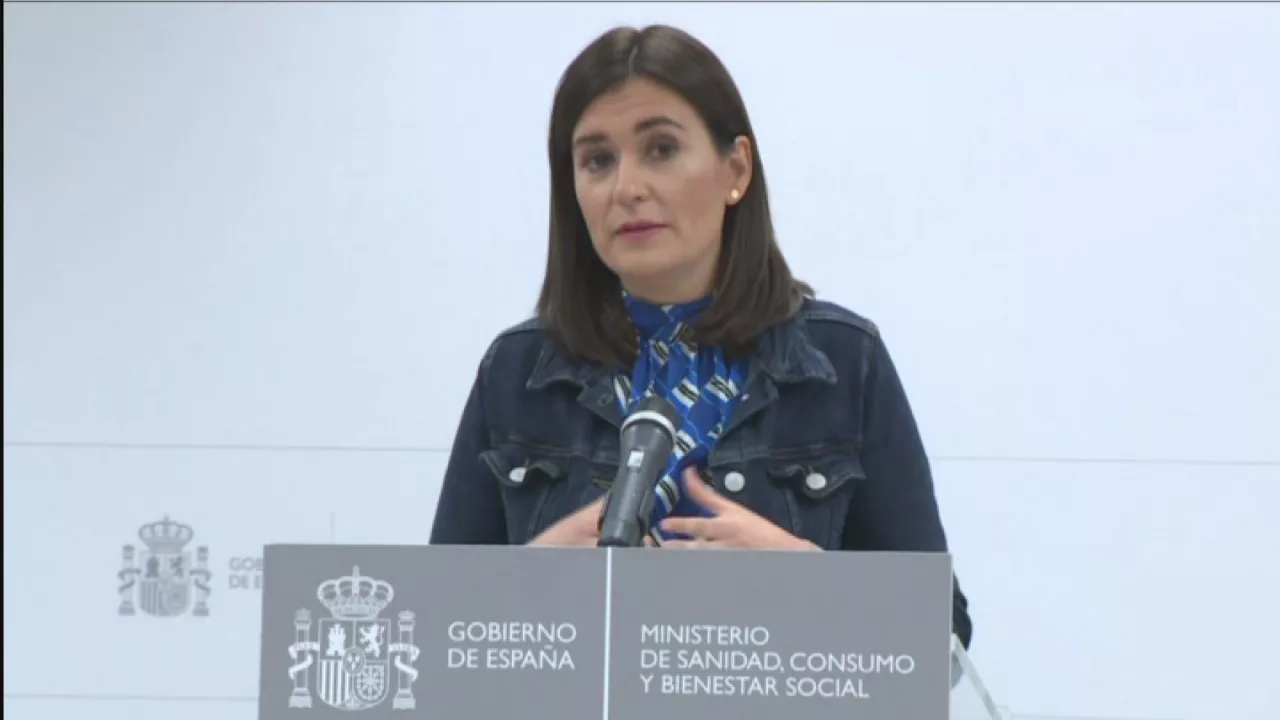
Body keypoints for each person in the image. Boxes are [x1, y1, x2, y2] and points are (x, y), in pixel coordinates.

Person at [429, 24, 973, 648]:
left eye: (660, 149)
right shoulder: (516, 372)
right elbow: (433, 630)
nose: (627, 188)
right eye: (598, 160)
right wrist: (530, 578)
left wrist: (811, 581)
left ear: (735, 168)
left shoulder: (843, 363)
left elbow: (944, 636)